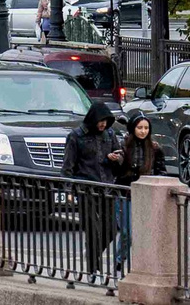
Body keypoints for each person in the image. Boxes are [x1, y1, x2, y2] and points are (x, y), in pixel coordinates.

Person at [64, 103, 119, 276]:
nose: (103, 124)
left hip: (106, 188)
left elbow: (119, 156)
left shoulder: (110, 134)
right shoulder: (76, 136)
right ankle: (93, 268)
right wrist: (68, 190)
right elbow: (68, 166)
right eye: (100, 121)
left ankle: (92, 256)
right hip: (86, 188)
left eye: (106, 121)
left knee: (110, 229)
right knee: (92, 229)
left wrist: (115, 159)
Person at [112, 113, 163, 274]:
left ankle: (142, 266)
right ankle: (119, 261)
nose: (143, 131)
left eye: (146, 128)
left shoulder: (155, 148)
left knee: (146, 232)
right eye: (139, 127)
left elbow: (161, 171)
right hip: (125, 193)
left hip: (146, 194)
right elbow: (116, 172)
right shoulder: (124, 146)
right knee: (127, 231)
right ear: (133, 128)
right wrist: (117, 160)